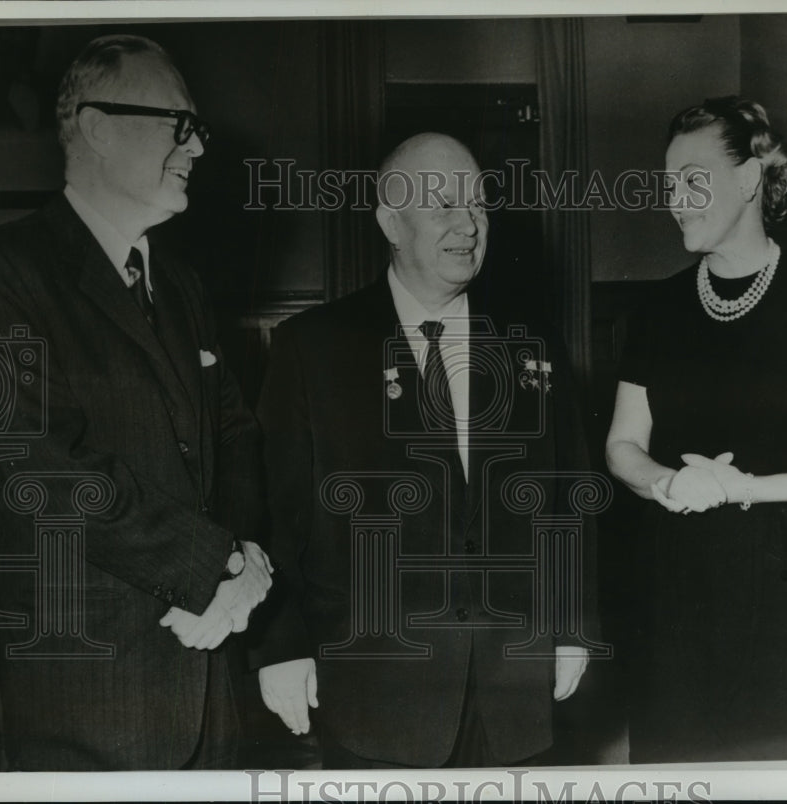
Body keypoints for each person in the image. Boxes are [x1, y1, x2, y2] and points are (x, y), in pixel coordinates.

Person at [254, 133, 601, 768]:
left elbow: (569, 500)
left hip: (515, 691)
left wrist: (575, 627)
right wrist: (281, 643)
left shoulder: (532, 347)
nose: (468, 224)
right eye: (443, 204)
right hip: (376, 694)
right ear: (391, 219)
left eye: (478, 204)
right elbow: (279, 513)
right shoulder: (313, 348)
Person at [0, 34, 271, 770]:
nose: (198, 148)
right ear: (96, 128)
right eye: (180, 124)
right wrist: (215, 566)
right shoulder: (1, 275)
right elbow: (42, 469)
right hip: (89, 706)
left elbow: (236, 432)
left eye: (198, 129)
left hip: (212, 694)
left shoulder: (179, 285)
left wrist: (244, 562)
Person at [605, 96, 787, 761]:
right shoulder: (657, 311)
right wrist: (669, 481)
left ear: (747, 179)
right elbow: (622, 444)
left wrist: (742, 488)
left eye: (692, 179)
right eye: (669, 182)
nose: (674, 198)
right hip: (673, 585)